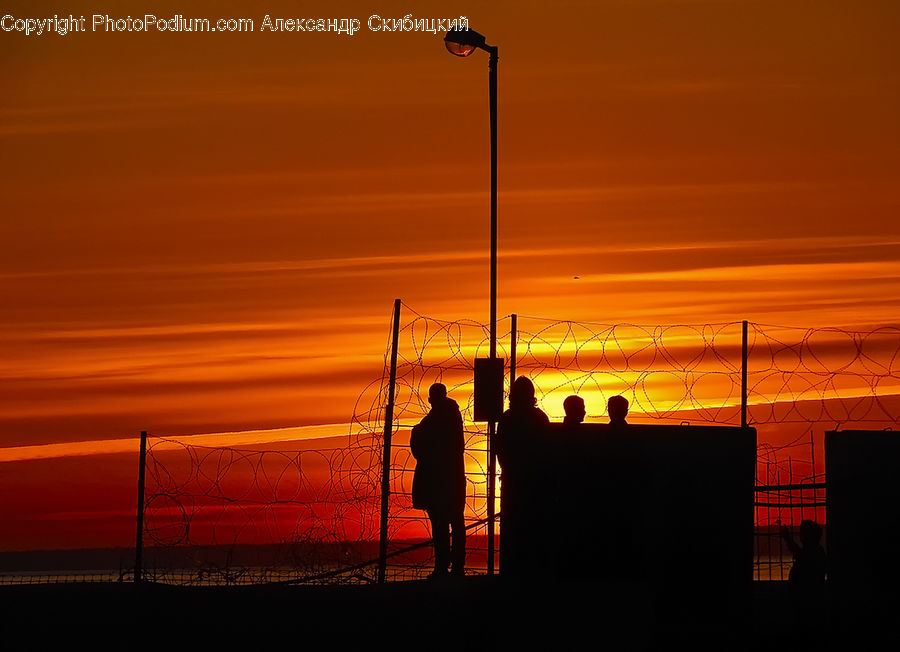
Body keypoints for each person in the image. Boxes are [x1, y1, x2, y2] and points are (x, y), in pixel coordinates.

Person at [410, 382, 466, 578]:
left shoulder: (433, 421)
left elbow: (418, 445)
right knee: (455, 522)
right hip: (454, 479)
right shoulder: (452, 418)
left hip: (438, 482)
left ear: (431, 399)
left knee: (442, 525)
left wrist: (416, 431)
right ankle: (456, 565)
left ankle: (444, 566)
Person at [496, 376, 550, 577]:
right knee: (533, 527)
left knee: (513, 527)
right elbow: (546, 450)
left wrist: (509, 469)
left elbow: (500, 449)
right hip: (534, 482)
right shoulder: (539, 418)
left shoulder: (507, 418)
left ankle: (512, 571)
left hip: (512, 481)